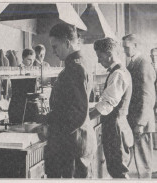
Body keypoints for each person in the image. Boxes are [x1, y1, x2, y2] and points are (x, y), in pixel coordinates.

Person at [45, 23, 96, 178]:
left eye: (55, 47)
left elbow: (77, 113)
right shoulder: (80, 62)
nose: (53, 52)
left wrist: (50, 126)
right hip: (78, 139)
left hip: (72, 142)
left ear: (67, 43)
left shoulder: (74, 68)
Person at [90, 38, 134, 178]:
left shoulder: (118, 73)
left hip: (115, 128)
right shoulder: (120, 71)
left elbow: (107, 104)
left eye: (100, 56)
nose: (98, 61)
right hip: (118, 126)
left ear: (109, 54)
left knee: (118, 170)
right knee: (117, 169)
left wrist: (86, 117)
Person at [122, 34, 156, 178]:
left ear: (136, 46)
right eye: (123, 47)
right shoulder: (133, 62)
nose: (124, 50)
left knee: (143, 162)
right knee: (138, 160)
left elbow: (147, 96)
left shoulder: (143, 64)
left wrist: (141, 123)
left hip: (141, 120)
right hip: (134, 118)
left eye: (127, 47)